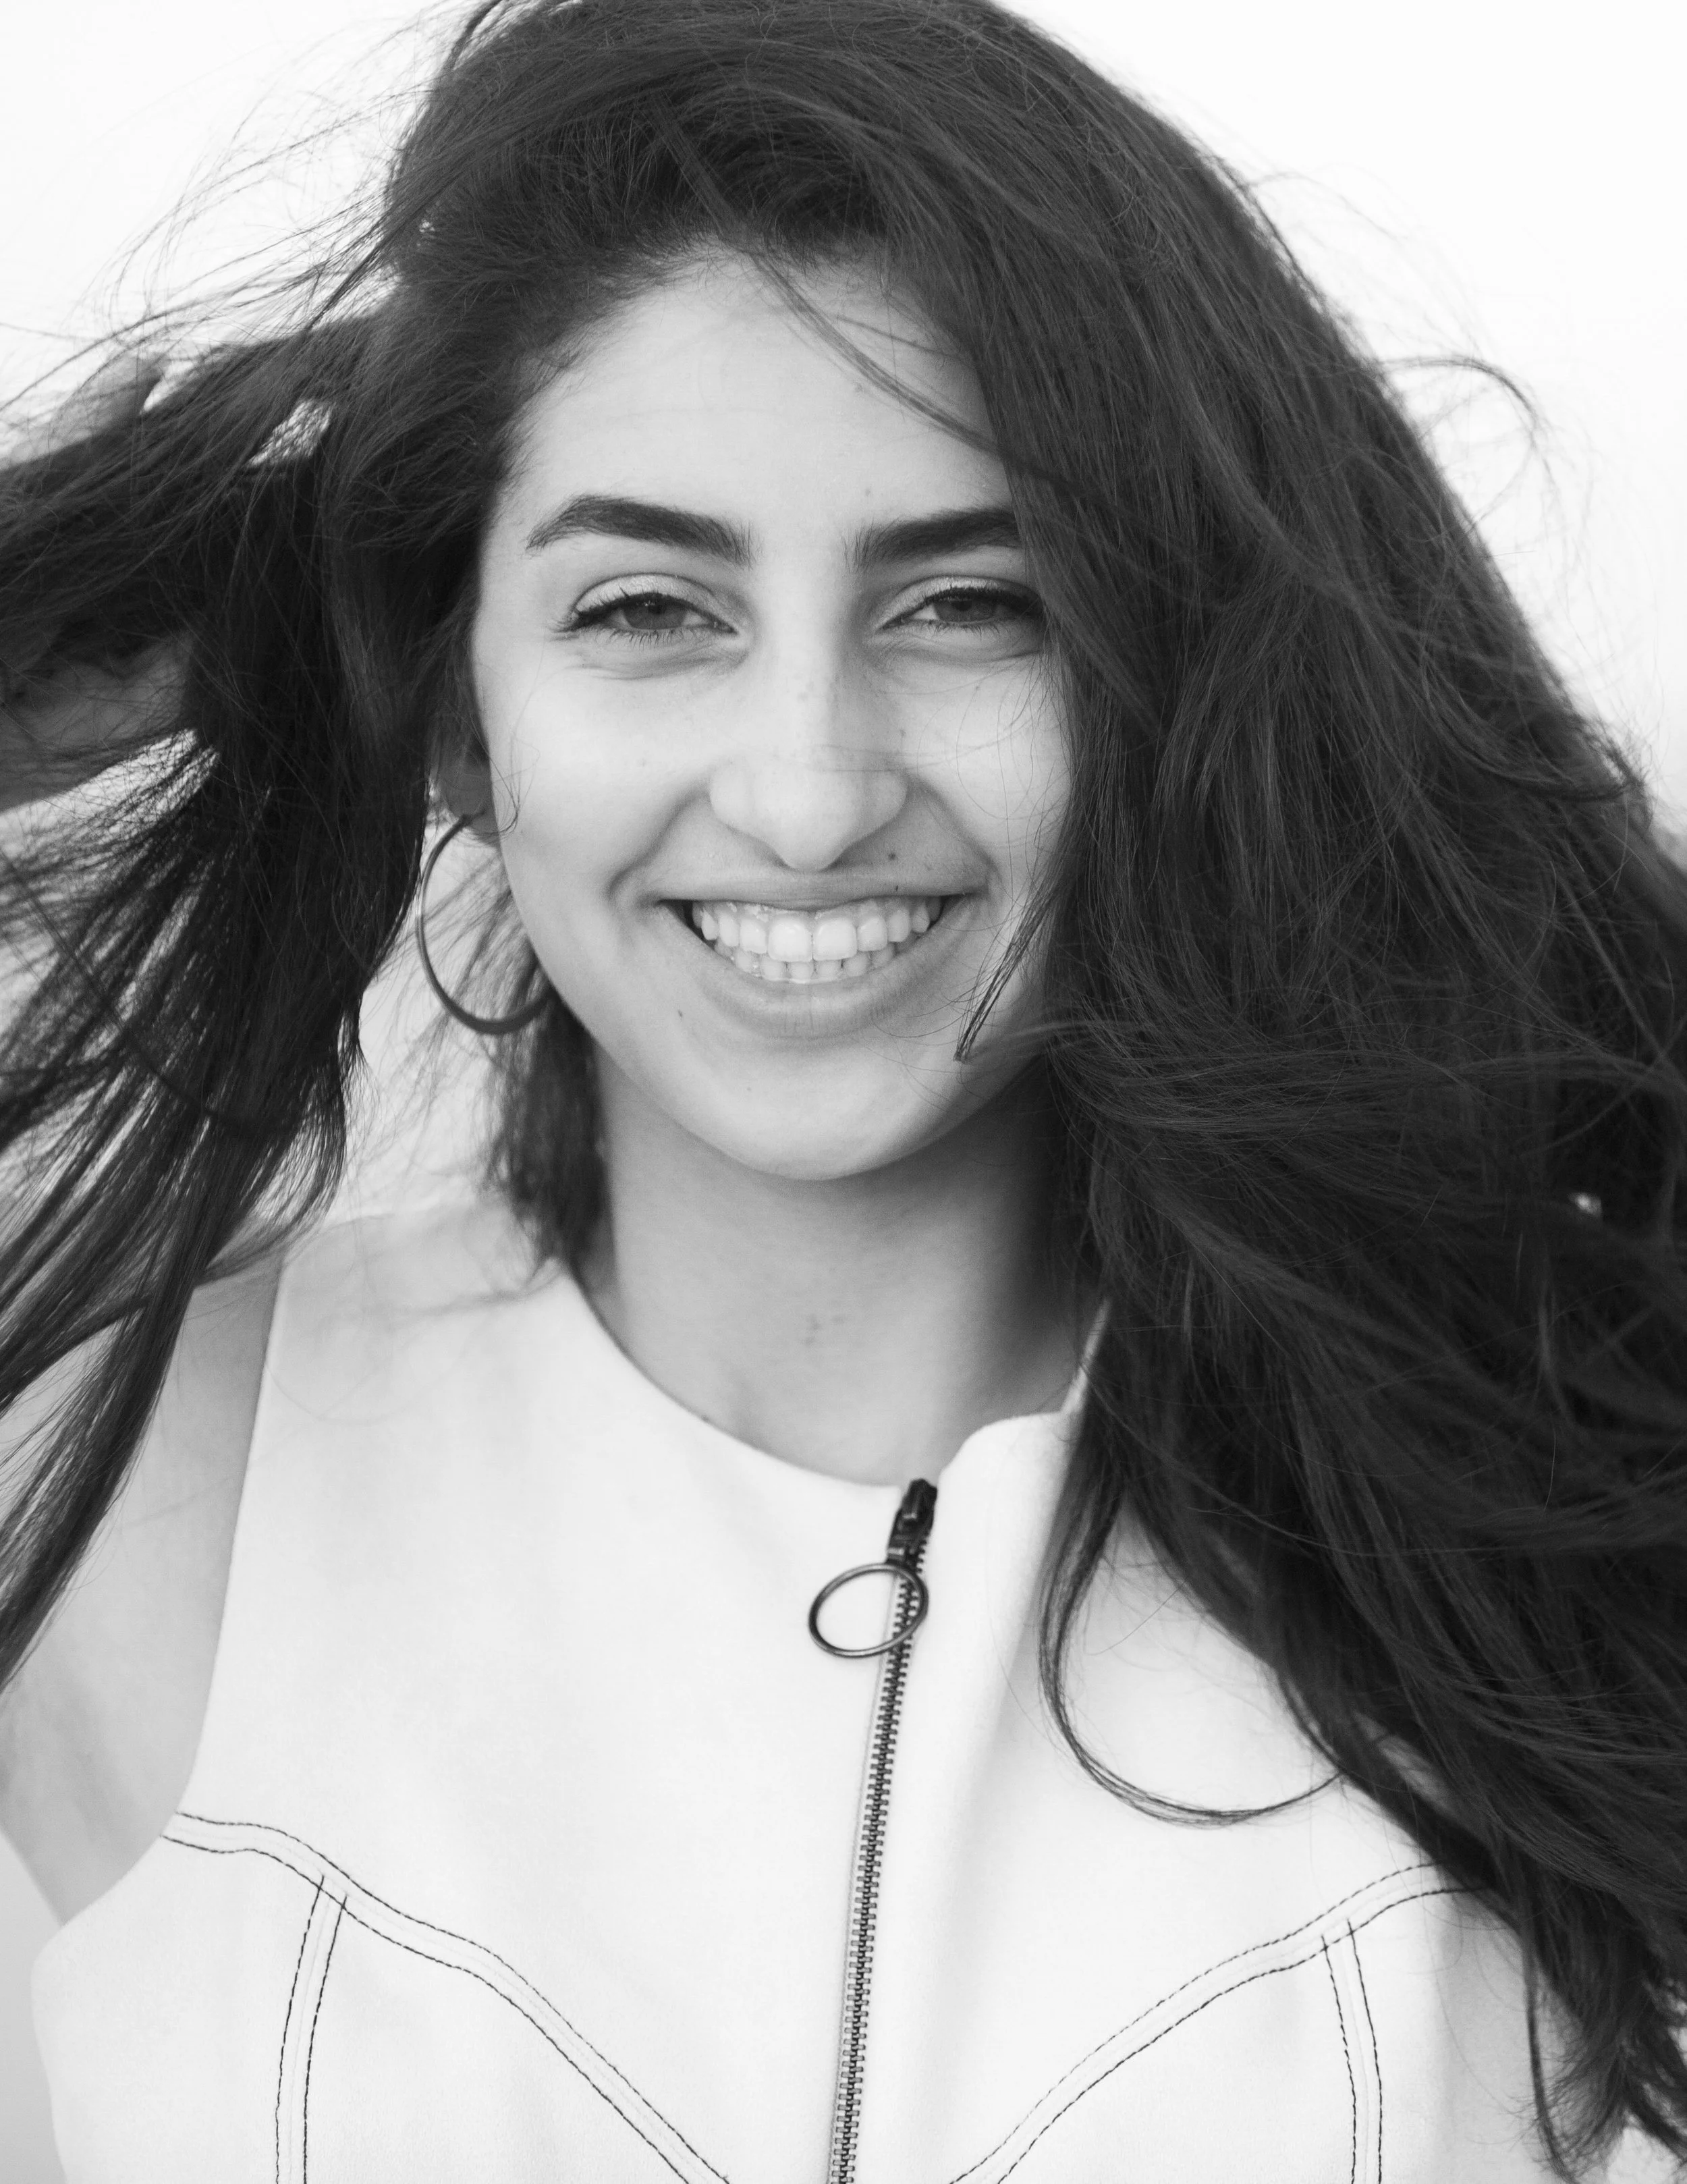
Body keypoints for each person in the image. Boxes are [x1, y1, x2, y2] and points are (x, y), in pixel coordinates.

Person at [1, 0, 1684, 2175]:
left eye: (969, 603)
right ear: (453, 701)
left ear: (1159, 678)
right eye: (644, 607)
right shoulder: (114, 1475)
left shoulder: (1569, 1501)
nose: (806, 790)